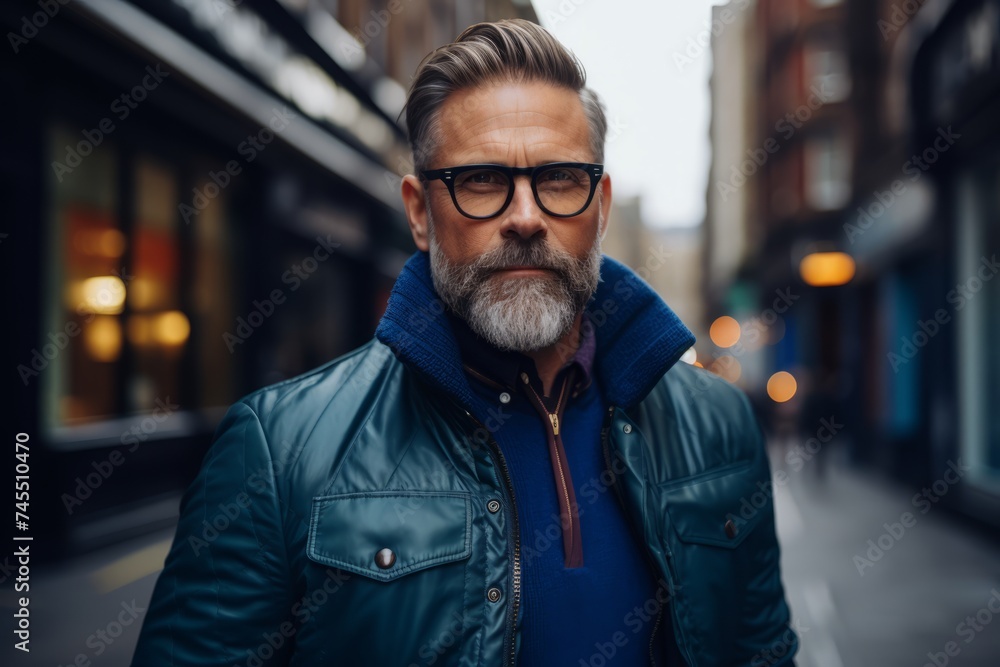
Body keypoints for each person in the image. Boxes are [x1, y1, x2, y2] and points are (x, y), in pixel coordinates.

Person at [131, 19, 797, 667]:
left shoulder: (719, 427)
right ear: (420, 213)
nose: (527, 218)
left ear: (600, 204)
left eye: (560, 178)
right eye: (481, 181)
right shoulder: (278, 454)